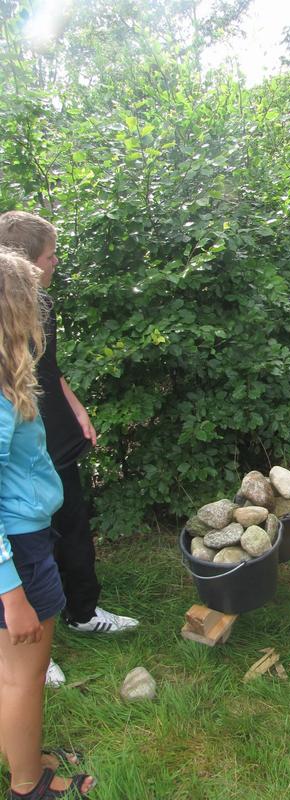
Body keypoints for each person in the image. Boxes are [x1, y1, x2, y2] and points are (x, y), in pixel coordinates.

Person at [0, 212, 138, 688]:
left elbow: (49, 369)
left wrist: (77, 409)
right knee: (27, 543)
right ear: (24, 263)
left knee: (73, 525)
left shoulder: (45, 304)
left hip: (54, 434)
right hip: (18, 445)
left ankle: (82, 611)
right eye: (50, 255)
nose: (57, 261)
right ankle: (32, 645)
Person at [0, 248, 96, 798]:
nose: (40, 314)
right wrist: (12, 591)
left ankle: (22, 753)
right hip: (17, 549)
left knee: (11, 673)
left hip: (20, 544)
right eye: (32, 303)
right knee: (23, 676)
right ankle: (29, 783)